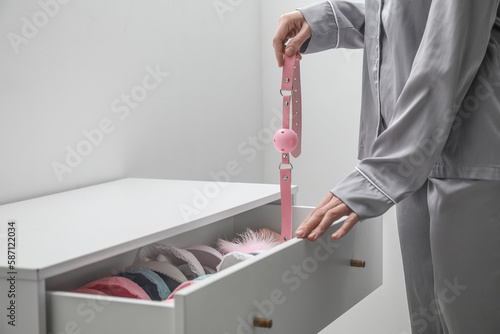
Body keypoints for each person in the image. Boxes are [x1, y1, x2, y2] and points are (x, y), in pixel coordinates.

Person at [273, 1, 500, 333]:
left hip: (471, 156)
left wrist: (380, 174)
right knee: (428, 321)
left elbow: (447, 50)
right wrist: (325, 20)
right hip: (414, 159)